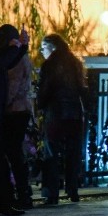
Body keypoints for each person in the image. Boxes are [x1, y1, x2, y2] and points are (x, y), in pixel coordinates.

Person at [37, 34, 89, 205]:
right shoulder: (75, 63)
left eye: (43, 47)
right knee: (73, 153)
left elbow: (45, 89)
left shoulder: (49, 65)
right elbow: (82, 88)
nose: (41, 51)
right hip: (74, 113)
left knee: (52, 153)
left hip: (56, 113)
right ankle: (72, 189)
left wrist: (40, 104)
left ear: (51, 47)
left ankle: (52, 193)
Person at [0, 25, 34, 209]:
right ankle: (21, 192)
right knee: (14, 152)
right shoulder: (17, 55)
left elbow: (14, 85)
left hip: (14, 110)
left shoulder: (13, 57)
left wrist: (4, 103)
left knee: (12, 152)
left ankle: (21, 192)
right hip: (19, 109)